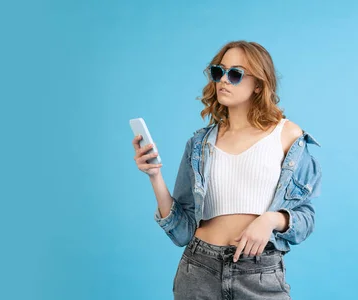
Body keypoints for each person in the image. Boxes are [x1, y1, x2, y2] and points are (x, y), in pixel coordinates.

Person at [131, 40, 322, 300]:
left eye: (235, 74)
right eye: (219, 72)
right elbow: (182, 231)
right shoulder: (199, 144)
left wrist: (270, 220)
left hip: (259, 271)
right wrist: (154, 176)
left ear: (258, 84)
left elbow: (306, 219)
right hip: (199, 269)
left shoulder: (287, 135)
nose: (223, 80)